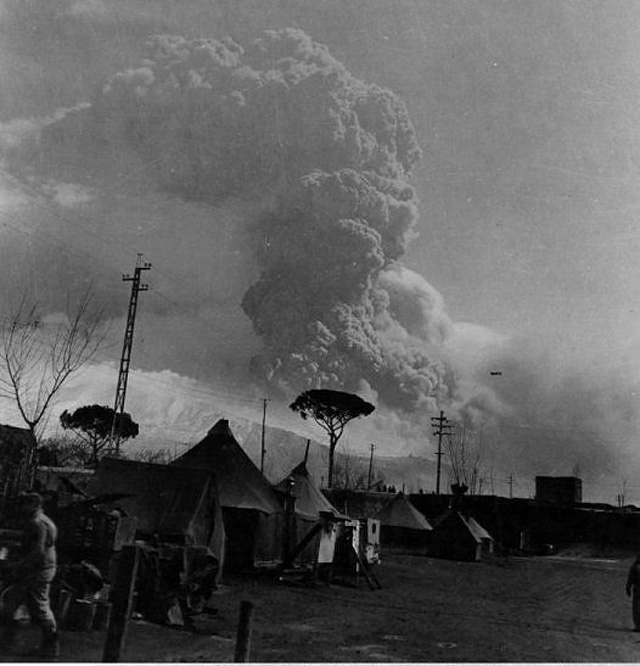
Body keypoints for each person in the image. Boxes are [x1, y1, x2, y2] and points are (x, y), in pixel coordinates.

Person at [0, 492, 59, 657]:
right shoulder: (41, 520)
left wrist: (15, 565)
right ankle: (7, 641)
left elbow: (37, 553)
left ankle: (51, 646)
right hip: (35, 569)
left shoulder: (37, 523)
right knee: (10, 603)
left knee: (40, 609)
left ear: (32, 506)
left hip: (38, 571)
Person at [626, 554, 640, 632]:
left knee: (637, 609)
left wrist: (628, 588)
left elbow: (631, 579)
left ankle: (638, 626)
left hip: (638, 591)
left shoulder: (635, 567)